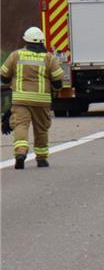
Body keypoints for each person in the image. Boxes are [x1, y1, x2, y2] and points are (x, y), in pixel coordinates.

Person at [1, 27, 64, 169]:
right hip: (41, 101)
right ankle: (41, 159)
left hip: (21, 99)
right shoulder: (49, 58)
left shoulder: (16, 55)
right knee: (41, 129)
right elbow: (58, 81)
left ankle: (20, 154)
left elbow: (4, 76)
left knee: (21, 125)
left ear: (26, 41)